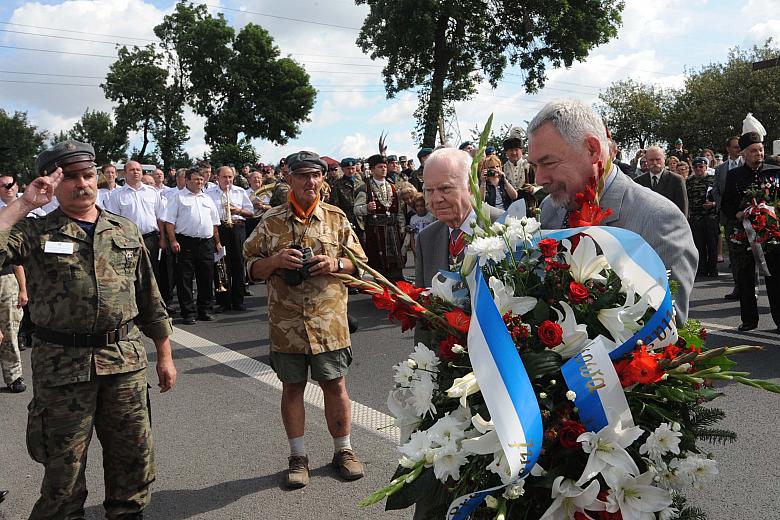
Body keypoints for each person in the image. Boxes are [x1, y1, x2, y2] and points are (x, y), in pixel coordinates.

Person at [0, 139, 176, 519]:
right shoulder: (34, 232)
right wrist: (25, 203)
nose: (82, 184)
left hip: (124, 362)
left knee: (133, 463)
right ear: (52, 183)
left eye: (88, 174)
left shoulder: (124, 231)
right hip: (62, 368)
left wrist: (164, 355)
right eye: (71, 178)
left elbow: (150, 298)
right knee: (63, 475)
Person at [243, 151, 368, 489]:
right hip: (286, 323)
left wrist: (335, 265)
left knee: (335, 384)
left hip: (329, 322)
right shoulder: (270, 221)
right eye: (302, 176)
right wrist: (275, 261)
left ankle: (344, 450)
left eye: (316, 175)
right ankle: (298, 457)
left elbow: (360, 264)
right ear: (289, 178)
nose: (310, 182)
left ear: (322, 178)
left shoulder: (336, 217)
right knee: (293, 388)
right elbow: (249, 266)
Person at [530, 99, 697, 324]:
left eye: (548, 163)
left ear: (592, 150)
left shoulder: (658, 219)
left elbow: (665, 332)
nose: (539, 179)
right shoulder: (550, 209)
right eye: (534, 166)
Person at [720, 131, 780, 332]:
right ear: (744, 153)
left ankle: (779, 320)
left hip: (771, 234)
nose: (759, 154)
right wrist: (738, 214)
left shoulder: (774, 171)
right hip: (745, 235)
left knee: (776, 278)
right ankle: (749, 320)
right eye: (754, 151)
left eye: (761, 150)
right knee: (745, 279)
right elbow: (726, 203)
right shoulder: (734, 175)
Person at [162, 167, 222, 325]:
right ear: (187, 180)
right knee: (185, 279)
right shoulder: (177, 197)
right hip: (185, 242)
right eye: (196, 179)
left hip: (206, 242)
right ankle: (188, 312)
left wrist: (217, 242)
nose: (199, 182)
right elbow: (169, 221)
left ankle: (205, 309)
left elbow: (215, 223)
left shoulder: (207, 199)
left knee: (206, 277)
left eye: (201, 179)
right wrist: (173, 240)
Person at [106, 161, 169, 305]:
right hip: (128, 241)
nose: (136, 172)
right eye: (132, 170)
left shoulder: (152, 192)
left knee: (153, 273)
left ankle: (155, 305)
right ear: (124, 173)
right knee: (131, 273)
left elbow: (160, 217)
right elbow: (113, 221)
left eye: (138, 170)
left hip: (151, 238)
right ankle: (134, 305)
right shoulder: (116, 195)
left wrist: (163, 238)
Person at [206, 166, 254, 312]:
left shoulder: (240, 191)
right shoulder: (209, 193)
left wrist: (238, 210)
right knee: (221, 265)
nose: (228, 180)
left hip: (237, 228)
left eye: (230, 177)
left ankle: (238, 300)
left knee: (239, 264)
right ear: (217, 178)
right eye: (224, 177)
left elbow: (251, 212)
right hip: (219, 229)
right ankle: (223, 301)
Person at [354, 154, 405, 281]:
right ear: (371, 170)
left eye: (384, 166)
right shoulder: (365, 187)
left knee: (395, 261)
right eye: (379, 167)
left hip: (393, 230)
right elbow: (356, 209)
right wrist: (367, 208)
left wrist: (401, 228)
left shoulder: (392, 186)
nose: (383, 169)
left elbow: (398, 211)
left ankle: (397, 283)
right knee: (379, 263)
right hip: (376, 231)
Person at [713, 136, 744, 300]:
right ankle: (738, 287)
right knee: (734, 254)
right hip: (728, 217)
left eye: (740, 147)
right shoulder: (720, 169)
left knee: (749, 255)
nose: (738, 149)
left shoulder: (746, 165)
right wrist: (723, 206)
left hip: (746, 217)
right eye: (735, 147)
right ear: (728, 149)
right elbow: (716, 191)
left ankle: (750, 287)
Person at [634, 146, 689, 217]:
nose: (655, 162)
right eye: (651, 160)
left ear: (664, 160)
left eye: (658, 159)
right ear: (646, 161)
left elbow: (683, 209)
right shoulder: (638, 182)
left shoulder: (676, 180)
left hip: (670, 224)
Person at [687, 157, 718, 278]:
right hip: (696, 217)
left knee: (712, 245)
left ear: (706, 167)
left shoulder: (713, 180)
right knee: (699, 245)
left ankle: (713, 269)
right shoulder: (689, 181)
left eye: (701, 166)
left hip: (711, 216)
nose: (698, 169)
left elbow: (720, 196)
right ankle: (702, 269)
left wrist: (713, 204)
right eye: (696, 167)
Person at [0, 261, 26, 392]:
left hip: (7, 282)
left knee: (10, 333)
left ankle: (14, 377)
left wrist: (23, 290)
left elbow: (18, 264)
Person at [329, 157, 366, 244]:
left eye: (352, 168)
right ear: (342, 169)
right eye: (348, 169)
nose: (351, 171)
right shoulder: (337, 185)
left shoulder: (362, 183)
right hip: (346, 222)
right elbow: (335, 206)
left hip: (361, 222)